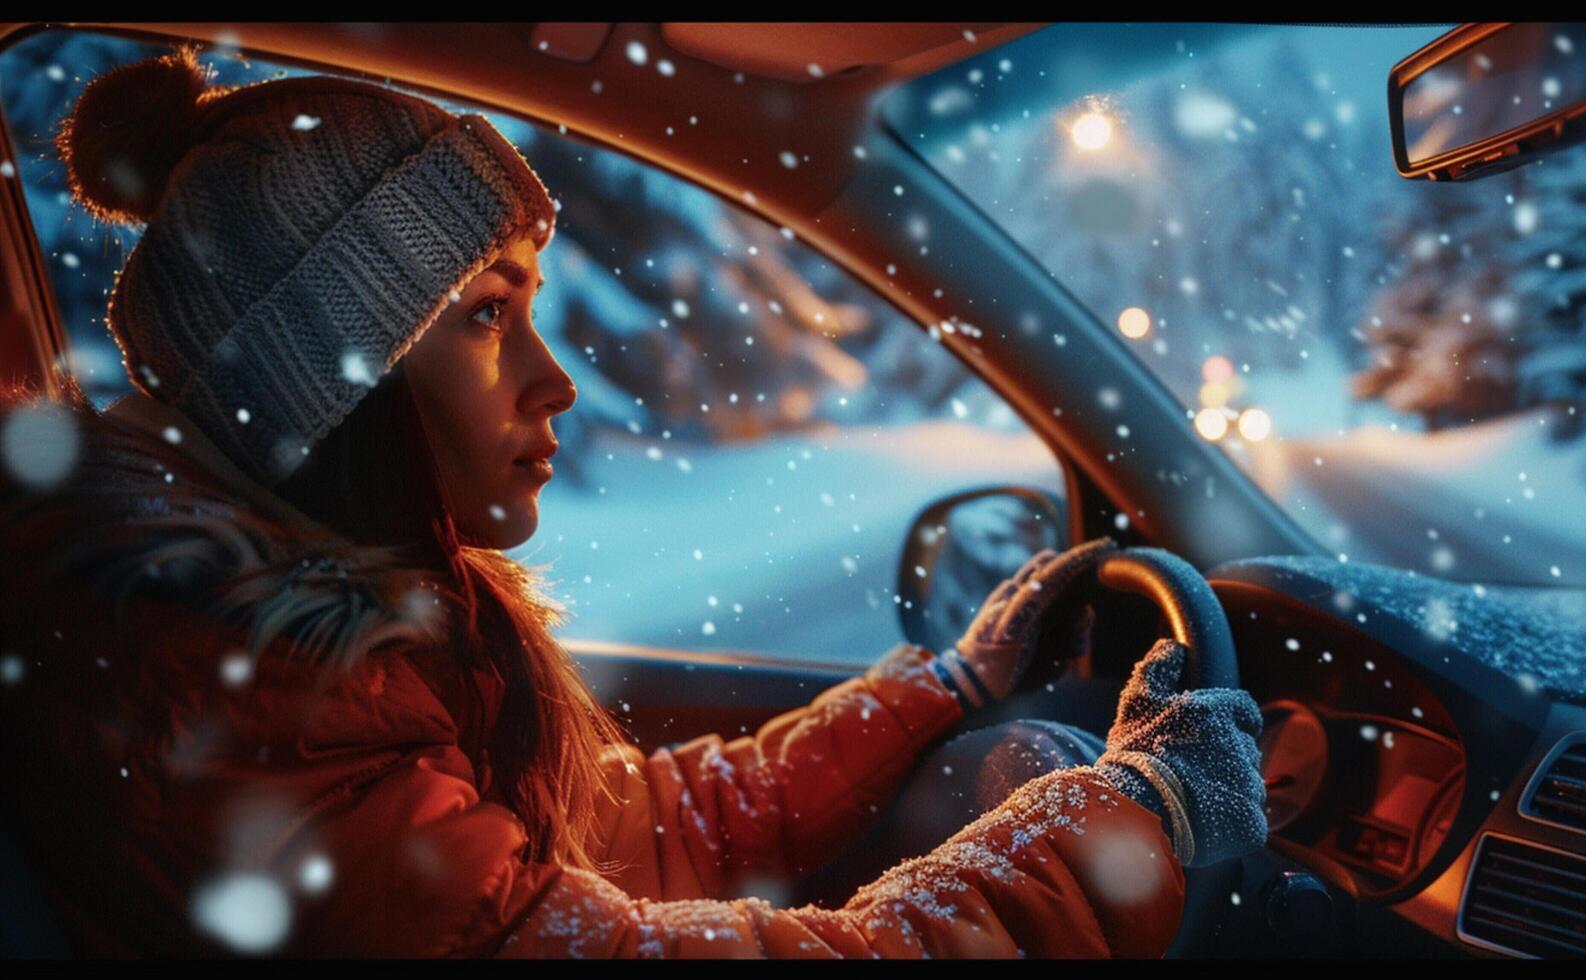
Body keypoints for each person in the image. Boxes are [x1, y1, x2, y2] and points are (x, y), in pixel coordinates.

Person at [0, 46, 1267, 958]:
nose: (554, 381)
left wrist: (944, 691)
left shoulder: (313, 662)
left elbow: (629, 832)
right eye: (488, 314)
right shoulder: (248, 721)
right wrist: (1129, 824)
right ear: (325, 381)